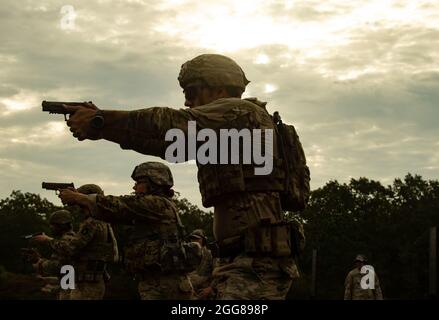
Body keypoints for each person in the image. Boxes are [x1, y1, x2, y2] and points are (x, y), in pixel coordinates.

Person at [60, 53, 309, 299]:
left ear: (219, 87)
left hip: (255, 265)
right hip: (244, 262)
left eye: (191, 93)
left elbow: (167, 124)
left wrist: (101, 121)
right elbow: (163, 142)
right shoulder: (231, 127)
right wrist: (103, 125)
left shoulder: (238, 111)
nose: (189, 102)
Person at [58, 162, 197, 300]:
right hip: (156, 282)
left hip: (167, 284)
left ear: (154, 182)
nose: (134, 187)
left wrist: (80, 198)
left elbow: (120, 206)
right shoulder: (152, 208)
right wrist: (82, 199)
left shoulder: (157, 204)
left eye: (139, 182)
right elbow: (117, 214)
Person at [34, 184, 118, 300]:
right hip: (88, 281)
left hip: (87, 283)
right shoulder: (102, 221)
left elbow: (69, 250)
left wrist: (47, 242)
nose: (78, 205)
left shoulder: (91, 222)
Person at [25, 209, 75, 300]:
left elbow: (58, 267)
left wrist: (39, 262)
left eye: (53, 224)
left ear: (62, 225)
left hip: (69, 288)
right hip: (67, 285)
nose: (51, 227)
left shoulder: (67, 240)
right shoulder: (64, 241)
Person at [187, 229, 213, 298]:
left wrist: (211, 288)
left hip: (203, 290)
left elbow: (217, 273)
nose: (194, 241)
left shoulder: (210, 254)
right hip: (188, 289)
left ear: (203, 241)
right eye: (192, 239)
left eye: (197, 239)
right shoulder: (186, 253)